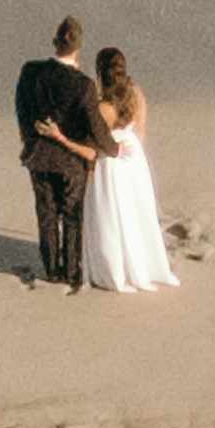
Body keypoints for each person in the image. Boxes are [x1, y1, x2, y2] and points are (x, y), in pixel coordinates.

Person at [74, 41, 174, 295]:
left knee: (110, 214)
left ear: (100, 74)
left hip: (110, 162)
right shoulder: (136, 95)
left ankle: (114, 270)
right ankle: (144, 265)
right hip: (134, 157)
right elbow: (140, 130)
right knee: (137, 211)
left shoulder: (101, 107)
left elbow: (95, 141)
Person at [13, 15, 100, 284]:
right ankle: (72, 270)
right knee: (72, 214)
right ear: (79, 48)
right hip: (71, 160)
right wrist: (106, 148)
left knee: (46, 211)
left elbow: (21, 108)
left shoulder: (30, 71)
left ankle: (52, 268)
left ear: (54, 43)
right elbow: (92, 124)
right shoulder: (83, 84)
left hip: (38, 154)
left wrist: (29, 139)